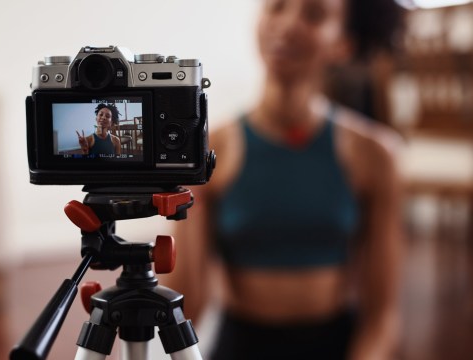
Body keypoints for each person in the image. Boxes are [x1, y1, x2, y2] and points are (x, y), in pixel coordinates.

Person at [163, 0, 405, 359]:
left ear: (343, 43)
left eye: (314, 14)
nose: (288, 25)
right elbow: (184, 305)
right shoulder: (209, 151)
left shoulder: (376, 156)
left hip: (336, 346)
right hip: (240, 346)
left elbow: (383, 316)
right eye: (277, 6)